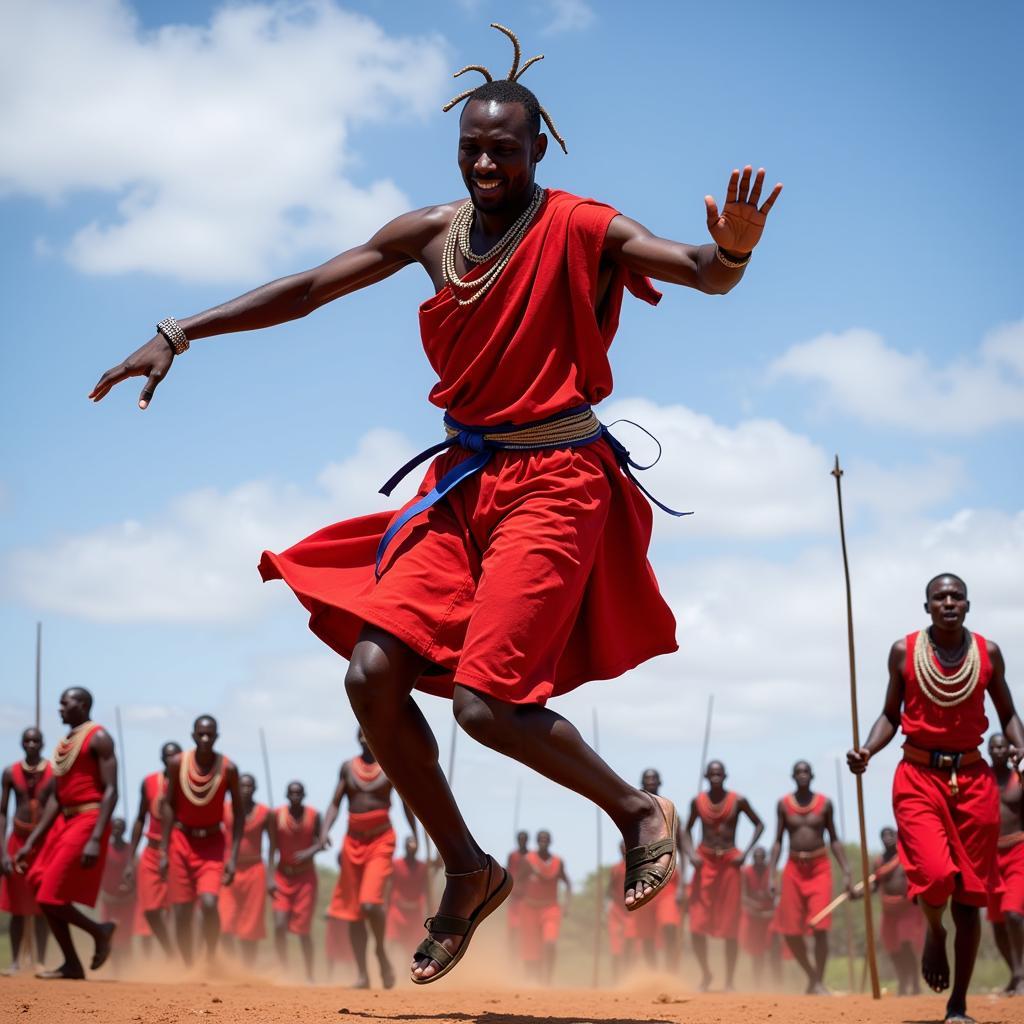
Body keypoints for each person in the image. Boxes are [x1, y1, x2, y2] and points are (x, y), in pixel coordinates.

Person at [90, 22, 780, 984]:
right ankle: (466, 870)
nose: (486, 161)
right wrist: (179, 330)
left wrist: (732, 253)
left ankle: (636, 813)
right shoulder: (428, 234)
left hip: (558, 481)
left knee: (487, 706)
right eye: (471, 148)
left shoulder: (583, 226)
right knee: (371, 672)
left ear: (540, 148)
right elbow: (309, 289)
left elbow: (697, 270)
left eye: (504, 146)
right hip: (464, 482)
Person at [848, 573, 1024, 1024]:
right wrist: (868, 749)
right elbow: (891, 713)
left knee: (969, 896)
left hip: (973, 779)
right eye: (939, 597)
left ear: (968, 605)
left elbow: (1008, 714)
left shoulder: (989, 654)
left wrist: (1021, 743)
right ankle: (932, 929)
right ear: (926, 606)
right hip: (918, 778)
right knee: (934, 873)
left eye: (956, 596)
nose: (949, 602)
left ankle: (957, 1005)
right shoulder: (904, 652)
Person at [17, 688, 118, 980]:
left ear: (82, 705)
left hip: (89, 819)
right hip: (66, 820)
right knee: (38, 883)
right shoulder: (65, 743)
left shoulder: (99, 737)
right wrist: (32, 843)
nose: (59, 707)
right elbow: (56, 800)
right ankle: (72, 964)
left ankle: (100, 931)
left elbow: (112, 790)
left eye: (65, 702)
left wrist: (97, 838)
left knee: (50, 896)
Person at [322, 731, 416, 989]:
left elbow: (408, 803)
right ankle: (363, 974)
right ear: (357, 738)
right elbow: (334, 804)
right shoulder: (347, 768)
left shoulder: (390, 766)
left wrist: (417, 834)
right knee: (353, 912)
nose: (366, 738)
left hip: (381, 841)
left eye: (369, 733)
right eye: (361, 733)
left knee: (370, 903)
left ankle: (381, 955)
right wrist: (323, 833)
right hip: (352, 842)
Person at [162, 715, 243, 966]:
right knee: (182, 910)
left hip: (212, 843)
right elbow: (168, 806)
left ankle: (210, 956)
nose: (205, 739)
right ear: (193, 736)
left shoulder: (228, 769)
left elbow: (239, 814)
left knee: (209, 903)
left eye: (210, 734)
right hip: (182, 840)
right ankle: (188, 965)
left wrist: (232, 857)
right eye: (201, 734)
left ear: (217, 737)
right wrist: (164, 850)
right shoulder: (177, 763)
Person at [769, 760, 851, 995]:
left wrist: (846, 869)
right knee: (790, 930)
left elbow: (834, 838)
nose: (802, 775)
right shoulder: (783, 805)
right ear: (793, 776)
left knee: (820, 925)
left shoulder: (825, 804)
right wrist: (772, 876)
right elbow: (777, 841)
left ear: (812, 775)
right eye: (798, 772)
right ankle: (812, 977)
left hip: (819, 867)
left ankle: (818, 981)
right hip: (793, 867)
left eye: (806, 771)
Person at [682, 760, 764, 990]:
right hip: (704, 863)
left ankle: (729, 980)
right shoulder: (697, 802)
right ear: (706, 776)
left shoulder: (738, 801)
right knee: (697, 922)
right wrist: (691, 854)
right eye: (712, 773)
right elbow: (685, 831)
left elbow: (759, 825)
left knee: (730, 923)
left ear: (725, 775)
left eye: (719, 773)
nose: (716, 776)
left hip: (730, 863)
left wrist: (745, 853)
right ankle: (706, 973)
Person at [0, 727, 53, 975]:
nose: (32, 744)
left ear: (42, 744)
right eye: (27, 740)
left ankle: (40, 960)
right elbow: (2, 812)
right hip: (16, 841)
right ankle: (14, 962)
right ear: (22, 744)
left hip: (43, 844)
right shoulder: (10, 772)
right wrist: (2, 853)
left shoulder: (53, 773)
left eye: (36, 740)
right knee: (17, 907)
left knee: (43, 905)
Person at [125, 741, 181, 956]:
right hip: (151, 851)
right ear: (161, 758)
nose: (171, 760)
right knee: (150, 910)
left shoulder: (188, 784)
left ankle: (184, 954)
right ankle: (170, 951)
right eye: (167, 756)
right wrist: (131, 860)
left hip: (177, 851)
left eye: (175, 756)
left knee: (179, 908)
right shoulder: (148, 783)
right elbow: (140, 819)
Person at [631, 769, 685, 971]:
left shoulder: (671, 812)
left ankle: (671, 970)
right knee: (646, 934)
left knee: (670, 926)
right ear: (642, 783)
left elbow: (685, 849)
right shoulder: (633, 813)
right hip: (643, 878)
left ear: (660, 782)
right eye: (647, 780)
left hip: (668, 880)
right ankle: (653, 974)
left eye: (654, 779)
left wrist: (683, 884)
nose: (651, 783)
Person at [220, 773, 271, 966]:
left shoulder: (266, 813)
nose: (245, 789)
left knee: (251, 924)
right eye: (242, 786)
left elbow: (274, 846)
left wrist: (272, 877)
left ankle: (247, 968)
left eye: (249, 786)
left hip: (255, 869)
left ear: (255, 789)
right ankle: (230, 965)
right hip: (229, 871)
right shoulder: (224, 810)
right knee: (225, 921)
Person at [272, 780, 321, 982]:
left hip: (305, 878)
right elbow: (271, 848)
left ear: (304, 794)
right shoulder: (276, 815)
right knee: (279, 926)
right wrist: (269, 878)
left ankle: (309, 974)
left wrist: (309, 852)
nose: (295, 796)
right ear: (286, 794)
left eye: (299, 793)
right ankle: (284, 968)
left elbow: (321, 841)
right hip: (282, 876)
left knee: (303, 931)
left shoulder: (313, 815)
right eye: (292, 792)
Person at [988, 733, 1024, 994]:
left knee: (1013, 912)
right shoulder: (981, 779)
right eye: (994, 747)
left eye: (1002, 746)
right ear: (989, 751)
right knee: (998, 920)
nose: (999, 750)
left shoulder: (1019, 778)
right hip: (989, 856)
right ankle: (1014, 974)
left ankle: (1023, 975)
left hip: (1019, 850)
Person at [875, 825, 923, 996]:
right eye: (883, 835)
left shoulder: (907, 857)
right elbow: (875, 886)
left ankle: (916, 983)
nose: (887, 838)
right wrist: (858, 893)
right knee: (893, 948)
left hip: (907, 908)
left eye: (890, 834)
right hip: (889, 910)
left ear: (896, 837)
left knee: (905, 944)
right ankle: (903, 982)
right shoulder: (879, 862)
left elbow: (918, 878)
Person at [520, 829, 570, 984]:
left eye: (546, 838)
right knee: (531, 948)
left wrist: (567, 905)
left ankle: (548, 978)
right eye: (541, 838)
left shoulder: (557, 861)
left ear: (550, 841)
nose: (543, 841)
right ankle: (531, 978)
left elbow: (567, 883)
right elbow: (517, 880)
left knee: (550, 942)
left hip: (550, 908)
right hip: (529, 908)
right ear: (537, 841)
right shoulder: (528, 860)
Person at [98, 817, 136, 971]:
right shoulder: (104, 849)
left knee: (125, 935)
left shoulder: (130, 851)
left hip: (126, 900)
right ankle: (115, 967)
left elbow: (135, 871)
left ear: (125, 830)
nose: (117, 830)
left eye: (121, 827)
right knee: (110, 934)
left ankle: (127, 968)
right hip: (109, 899)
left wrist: (129, 885)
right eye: (115, 826)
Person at [739, 846, 776, 986]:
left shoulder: (770, 873)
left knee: (773, 949)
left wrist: (770, 907)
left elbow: (776, 895)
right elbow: (743, 896)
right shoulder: (746, 872)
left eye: (761, 857)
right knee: (756, 951)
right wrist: (754, 906)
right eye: (756, 857)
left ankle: (776, 980)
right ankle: (757, 982)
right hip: (754, 918)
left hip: (769, 917)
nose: (759, 860)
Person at [386, 836, 430, 953]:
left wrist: (430, 908)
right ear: (404, 847)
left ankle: (408, 969)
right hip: (397, 911)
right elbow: (389, 888)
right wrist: (385, 907)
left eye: (415, 844)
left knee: (412, 946)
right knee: (392, 942)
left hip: (415, 912)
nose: (412, 846)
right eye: (409, 843)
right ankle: (387, 966)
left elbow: (426, 890)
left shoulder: (423, 867)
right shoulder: (395, 864)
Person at [606, 841, 637, 979]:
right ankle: (615, 979)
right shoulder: (615, 869)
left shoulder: (638, 868)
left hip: (633, 912)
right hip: (617, 911)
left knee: (631, 943)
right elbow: (609, 890)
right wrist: (606, 907)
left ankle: (629, 975)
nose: (624, 851)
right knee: (616, 948)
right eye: (622, 849)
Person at [505, 830, 530, 959]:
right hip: (514, 897)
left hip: (528, 899)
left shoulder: (531, 857)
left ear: (527, 840)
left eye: (524, 839)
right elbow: (509, 872)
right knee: (513, 929)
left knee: (526, 930)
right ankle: (511, 955)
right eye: (520, 839)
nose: (522, 841)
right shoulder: (512, 856)